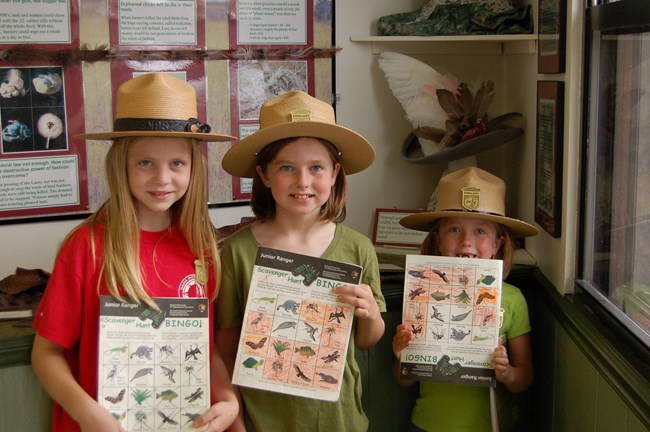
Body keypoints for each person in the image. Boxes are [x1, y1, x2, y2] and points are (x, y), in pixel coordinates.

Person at [31, 73, 239, 432]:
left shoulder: (202, 246)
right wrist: (86, 412)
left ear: (193, 168)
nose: (162, 178)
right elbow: (46, 353)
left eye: (177, 163)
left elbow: (206, 346)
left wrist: (229, 399)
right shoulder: (87, 247)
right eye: (146, 163)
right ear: (121, 165)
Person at [215, 90, 386, 431]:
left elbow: (367, 340)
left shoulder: (358, 248)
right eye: (286, 168)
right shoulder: (236, 251)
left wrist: (369, 312)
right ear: (264, 175)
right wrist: (237, 422)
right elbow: (228, 346)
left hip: (338, 418)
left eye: (316, 168)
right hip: (264, 419)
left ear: (335, 173)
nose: (302, 181)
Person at [393, 167, 538, 432]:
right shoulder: (419, 293)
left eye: (480, 231)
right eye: (454, 229)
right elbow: (404, 380)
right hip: (425, 424)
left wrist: (507, 373)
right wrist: (403, 355)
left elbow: (524, 379)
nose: (466, 241)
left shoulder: (512, 299)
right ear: (437, 240)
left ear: (497, 244)